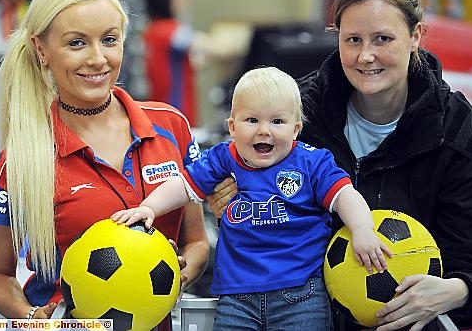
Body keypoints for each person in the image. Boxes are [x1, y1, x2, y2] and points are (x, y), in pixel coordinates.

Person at [207, 0, 472, 331]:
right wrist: (230, 196)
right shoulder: (297, 114)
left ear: (415, 36)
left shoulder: (454, 128)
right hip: (302, 313)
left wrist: (455, 291)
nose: (365, 56)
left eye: (383, 39)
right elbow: (242, 175)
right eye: (353, 39)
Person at [0, 0, 209, 330]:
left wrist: (184, 270)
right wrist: (30, 318)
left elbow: (195, 241)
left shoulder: (171, 127)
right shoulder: (21, 159)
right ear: (42, 50)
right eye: (76, 43)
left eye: (109, 40)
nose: (98, 59)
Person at [112, 66, 393, 330]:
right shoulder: (224, 158)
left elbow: (345, 195)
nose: (264, 130)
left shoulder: (311, 162)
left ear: (296, 129)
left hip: (301, 295)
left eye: (277, 121)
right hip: (237, 299)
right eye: (252, 120)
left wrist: (362, 228)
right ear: (233, 127)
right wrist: (150, 206)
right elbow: (183, 185)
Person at [143, 0, 223, 127]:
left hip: (162, 112)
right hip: (175, 112)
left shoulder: (151, 30)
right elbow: (215, 47)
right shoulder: (171, 32)